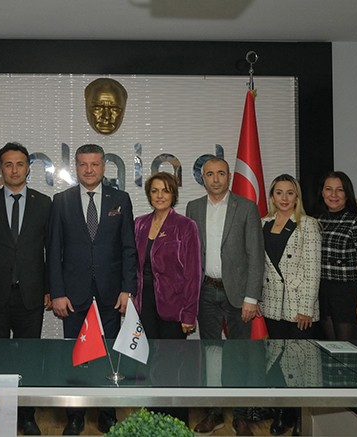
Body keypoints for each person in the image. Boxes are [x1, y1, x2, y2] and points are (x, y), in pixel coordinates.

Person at [48, 144, 137, 435]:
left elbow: (128, 248)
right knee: (77, 355)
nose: (89, 170)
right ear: (76, 166)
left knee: (109, 354)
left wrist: (128, 289)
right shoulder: (61, 200)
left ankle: (107, 413)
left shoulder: (120, 199)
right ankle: (75, 415)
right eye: (83, 164)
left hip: (111, 293)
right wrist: (57, 292)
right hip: (73, 295)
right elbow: (54, 250)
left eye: (94, 164)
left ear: (103, 166)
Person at [0, 142, 50, 435]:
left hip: (31, 295)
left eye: (19, 164)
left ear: (28, 168)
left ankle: (26, 415)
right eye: (8, 165)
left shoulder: (44, 203)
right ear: (0, 169)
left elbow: (51, 251)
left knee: (28, 358)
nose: (14, 170)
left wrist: (49, 289)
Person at [185, 156, 264, 436]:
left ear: (229, 176)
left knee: (239, 355)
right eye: (210, 174)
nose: (216, 179)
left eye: (221, 173)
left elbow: (256, 255)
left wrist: (251, 298)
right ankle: (214, 413)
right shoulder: (193, 207)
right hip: (205, 291)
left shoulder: (246, 207)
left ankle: (240, 416)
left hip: (238, 295)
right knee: (210, 355)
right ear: (203, 178)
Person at [133, 171, 200, 426]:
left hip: (174, 305)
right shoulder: (139, 224)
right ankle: (152, 419)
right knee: (148, 361)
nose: (159, 195)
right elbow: (133, 266)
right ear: (149, 195)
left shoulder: (185, 226)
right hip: (144, 304)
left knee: (173, 364)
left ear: (173, 194)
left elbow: (193, 272)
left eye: (165, 190)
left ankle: (176, 422)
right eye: (154, 191)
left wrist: (189, 313)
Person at [259, 174, 322, 435]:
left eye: (290, 193)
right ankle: (282, 413)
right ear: (272, 196)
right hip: (272, 305)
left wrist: (306, 307)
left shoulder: (308, 224)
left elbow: (313, 269)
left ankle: (300, 418)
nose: (284, 198)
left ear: (297, 197)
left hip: (299, 306)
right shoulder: (263, 223)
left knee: (301, 362)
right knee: (277, 360)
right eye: (279, 193)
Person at [316, 171, 357, 342]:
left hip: (348, 294)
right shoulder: (316, 220)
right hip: (322, 292)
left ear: (347, 194)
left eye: (340, 190)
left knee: (347, 350)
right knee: (330, 350)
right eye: (328, 189)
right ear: (322, 192)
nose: (333, 195)